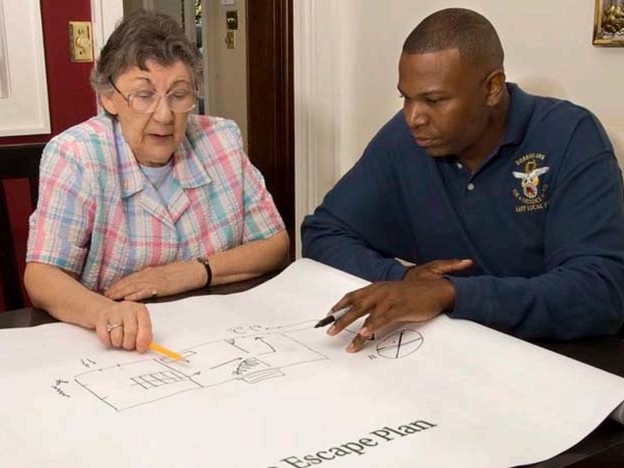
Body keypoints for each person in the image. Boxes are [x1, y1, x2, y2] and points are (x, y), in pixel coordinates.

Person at [301, 8, 624, 352]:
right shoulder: (405, 138)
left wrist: (452, 294)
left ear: (492, 88)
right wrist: (406, 280)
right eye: (405, 98)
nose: (413, 117)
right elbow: (323, 233)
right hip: (448, 352)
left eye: (434, 100)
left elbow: (601, 292)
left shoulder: (569, 135)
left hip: (556, 357)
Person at [24, 11, 289, 352]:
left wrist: (191, 272)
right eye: (144, 95)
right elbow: (42, 277)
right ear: (109, 97)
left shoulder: (221, 138)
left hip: (215, 337)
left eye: (179, 95)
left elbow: (273, 243)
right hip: (118, 345)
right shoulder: (76, 154)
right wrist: (106, 311)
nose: (165, 116)